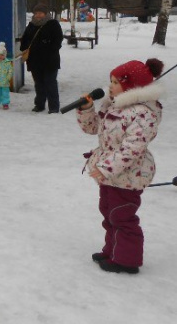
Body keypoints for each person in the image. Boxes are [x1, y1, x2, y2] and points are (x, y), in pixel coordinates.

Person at [76, 58, 164, 274]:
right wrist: (87, 109)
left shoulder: (144, 114)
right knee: (108, 212)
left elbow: (131, 149)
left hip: (129, 175)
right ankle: (112, 250)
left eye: (115, 82)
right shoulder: (113, 104)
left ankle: (126, 260)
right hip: (111, 174)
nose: (110, 86)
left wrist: (106, 168)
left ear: (130, 85)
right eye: (110, 81)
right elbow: (94, 128)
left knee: (122, 216)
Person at [20, 3, 63, 114]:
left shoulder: (53, 24)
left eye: (40, 13)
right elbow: (24, 40)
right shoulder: (31, 25)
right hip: (35, 61)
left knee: (50, 83)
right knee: (39, 84)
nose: (38, 15)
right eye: (36, 13)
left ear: (45, 13)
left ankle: (53, 107)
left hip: (50, 60)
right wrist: (25, 47)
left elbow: (58, 41)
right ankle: (39, 105)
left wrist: (47, 48)